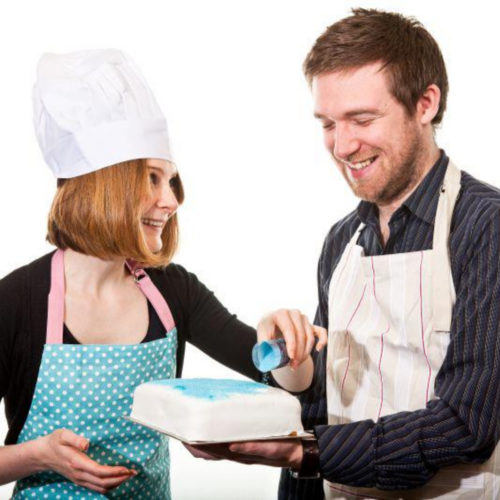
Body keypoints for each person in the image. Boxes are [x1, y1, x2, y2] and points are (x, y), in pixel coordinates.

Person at [185, 8, 500, 500]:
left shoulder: (486, 228)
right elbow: (320, 410)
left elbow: (467, 424)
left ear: (425, 104)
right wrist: (293, 361)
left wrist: (307, 453)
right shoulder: (343, 242)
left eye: (362, 118)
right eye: (328, 123)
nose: (343, 145)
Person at [0, 49, 327, 499]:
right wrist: (38, 455)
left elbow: (282, 377)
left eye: (171, 181)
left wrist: (284, 344)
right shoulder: (16, 302)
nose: (171, 200)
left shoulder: (172, 291)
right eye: (152, 179)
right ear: (102, 185)